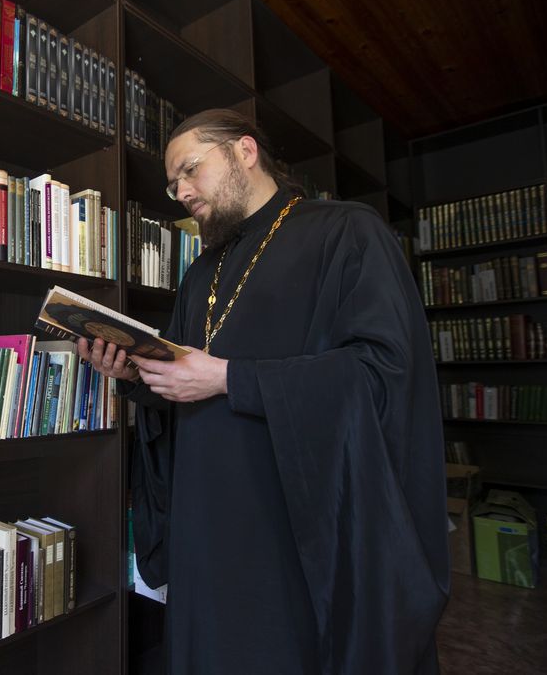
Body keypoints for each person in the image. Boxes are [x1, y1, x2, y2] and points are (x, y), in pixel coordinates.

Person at [78, 108, 449, 674]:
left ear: (245, 151)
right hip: (205, 523)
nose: (181, 192)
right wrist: (134, 376)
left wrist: (230, 377)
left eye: (190, 170)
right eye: (173, 184)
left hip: (295, 526)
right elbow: (184, 385)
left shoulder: (347, 231)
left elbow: (381, 372)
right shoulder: (200, 274)